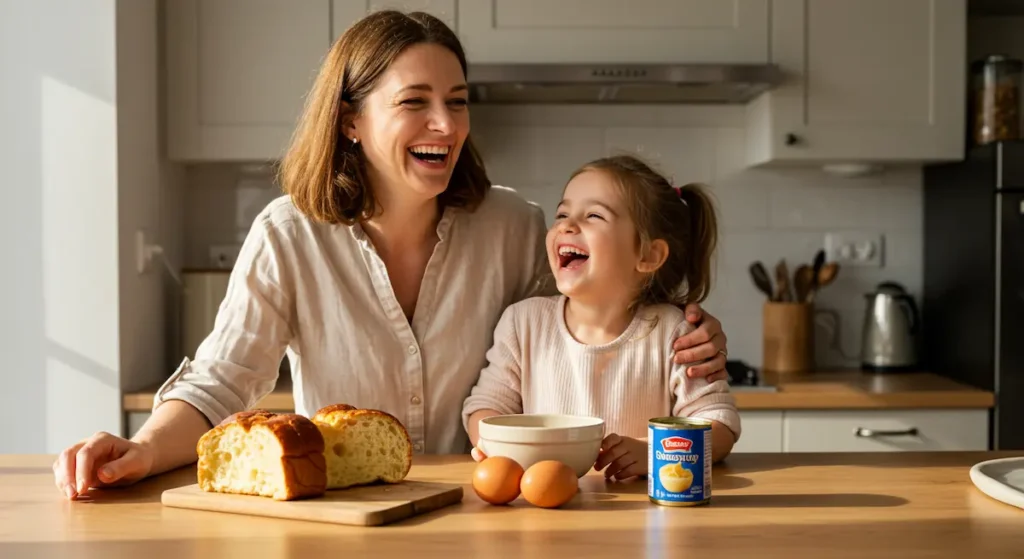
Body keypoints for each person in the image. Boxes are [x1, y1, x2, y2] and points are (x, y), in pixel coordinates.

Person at [51, 10, 732, 501]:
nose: (447, 124)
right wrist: (141, 448)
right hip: (348, 518)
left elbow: (589, 320)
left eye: (458, 102)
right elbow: (221, 383)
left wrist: (682, 324)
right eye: (416, 102)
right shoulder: (289, 235)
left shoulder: (514, 225)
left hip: (493, 517)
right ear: (351, 120)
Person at [463, 155, 740, 481]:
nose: (566, 224)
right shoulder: (523, 323)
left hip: (637, 513)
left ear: (648, 255)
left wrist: (654, 452)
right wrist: (495, 443)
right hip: (545, 516)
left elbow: (719, 424)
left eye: (593, 215)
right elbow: (484, 405)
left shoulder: (672, 332)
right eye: (562, 213)